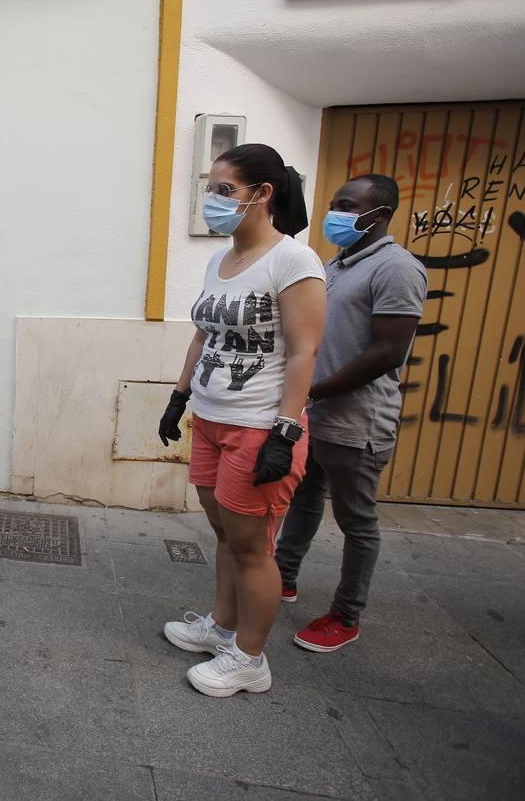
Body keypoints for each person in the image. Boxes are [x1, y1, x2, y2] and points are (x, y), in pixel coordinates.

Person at [157, 143, 326, 698]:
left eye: (224, 190)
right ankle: (222, 629)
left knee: (253, 547)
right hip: (210, 417)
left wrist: (286, 429)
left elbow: (304, 352)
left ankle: (250, 659)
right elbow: (205, 333)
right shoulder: (219, 260)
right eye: (211, 188)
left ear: (262, 195)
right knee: (226, 534)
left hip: (259, 427)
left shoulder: (293, 261)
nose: (213, 200)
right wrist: (179, 397)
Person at [272, 174, 427, 653]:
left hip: (356, 420)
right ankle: (283, 577)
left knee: (357, 521)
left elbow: (388, 352)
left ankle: (346, 614)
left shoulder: (397, 268)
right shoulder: (337, 265)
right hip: (314, 413)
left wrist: (313, 390)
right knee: (304, 497)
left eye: (347, 204)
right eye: (335, 202)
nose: (334, 212)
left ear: (377, 214)